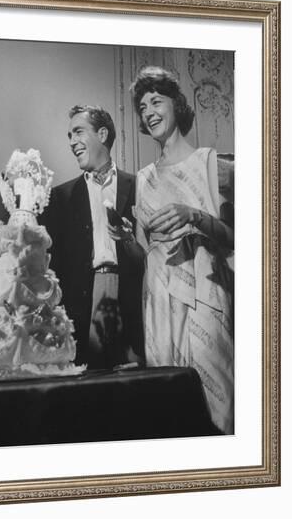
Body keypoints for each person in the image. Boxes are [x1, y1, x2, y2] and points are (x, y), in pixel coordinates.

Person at [109, 66, 234, 434]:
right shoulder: (143, 177)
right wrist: (128, 239)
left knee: (217, 400)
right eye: (142, 106)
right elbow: (146, 255)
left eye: (156, 101)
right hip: (159, 299)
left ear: (176, 105)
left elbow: (235, 238)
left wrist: (193, 215)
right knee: (168, 403)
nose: (148, 111)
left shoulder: (211, 163)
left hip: (204, 295)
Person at [41, 105, 144, 369]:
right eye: (69, 136)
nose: (72, 142)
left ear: (102, 133)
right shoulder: (60, 197)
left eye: (78, 132)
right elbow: (53, 266)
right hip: (82, 302)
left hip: (135, 299)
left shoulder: (140, 186)